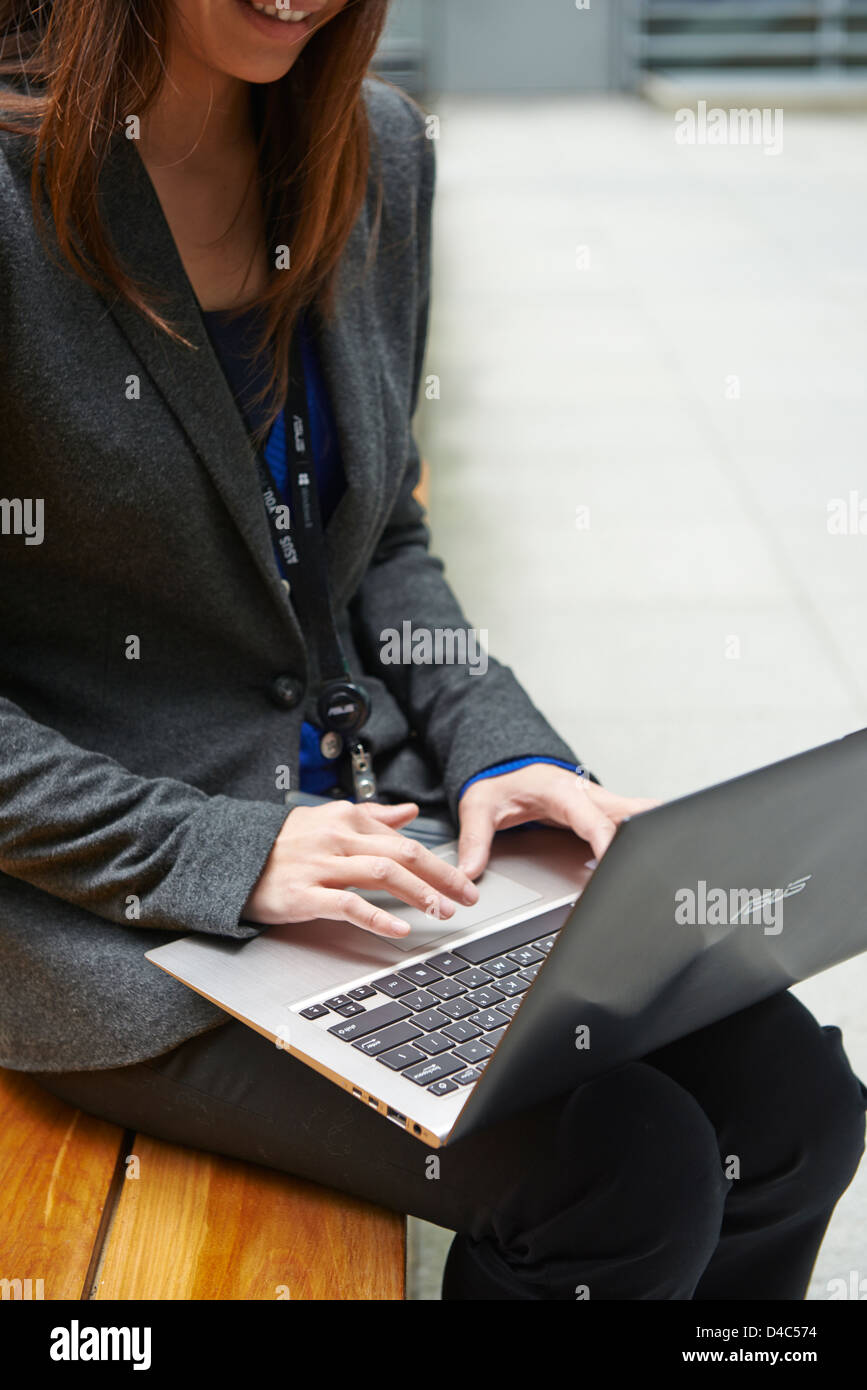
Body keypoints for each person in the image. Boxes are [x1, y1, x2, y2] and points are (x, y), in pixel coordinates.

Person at [0, 0, 863, 1301]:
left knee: (795, 1114)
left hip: (396, 857)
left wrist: (501, 746)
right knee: (624, 1177)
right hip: (124, 916)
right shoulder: (17, 205)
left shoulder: (377, 152)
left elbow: (382, 539)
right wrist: (222, 852)